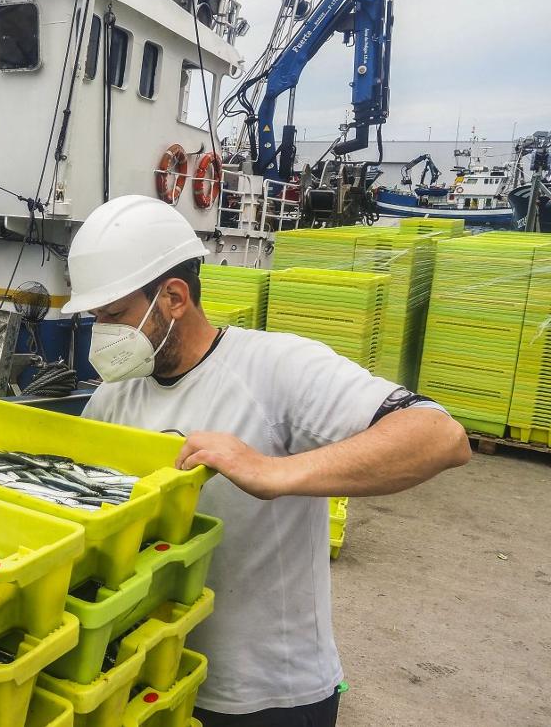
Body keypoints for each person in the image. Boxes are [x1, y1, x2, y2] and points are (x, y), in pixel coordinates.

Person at [62, 196, 471, 727]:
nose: (103, 333)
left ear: (174, 298)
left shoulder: (275, 367)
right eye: (96, 317)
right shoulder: (113, 396)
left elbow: (439, 435)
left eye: (115, 315)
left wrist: (274, 472)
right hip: (153, 677)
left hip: (269, 696)